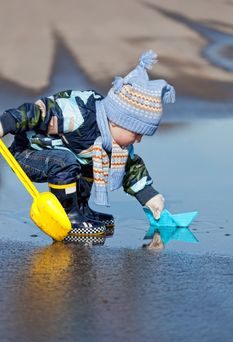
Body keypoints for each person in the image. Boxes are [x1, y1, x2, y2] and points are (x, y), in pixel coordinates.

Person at [0, 50, 175, 243]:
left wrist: (150, 198)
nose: (139, 139)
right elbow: (37, 112)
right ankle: (68, 214)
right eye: (137, 133)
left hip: (59, 159)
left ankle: (80, 209)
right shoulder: (78, 114)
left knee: (90, 160)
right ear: (118, 121)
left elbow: (131, 168)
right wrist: (5, 124)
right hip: (27, 154)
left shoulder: (115, 144)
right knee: (66, 160)